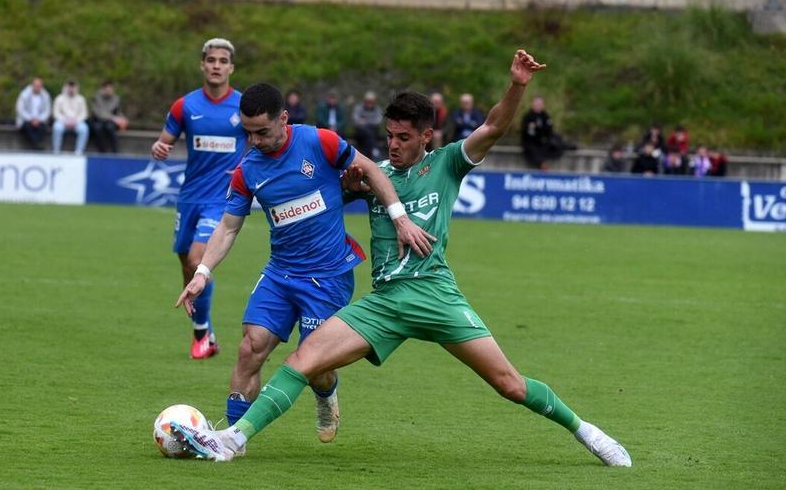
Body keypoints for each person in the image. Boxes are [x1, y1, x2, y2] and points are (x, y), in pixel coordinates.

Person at [171, 50, 633, 468]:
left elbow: (493, 127)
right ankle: (231, 439)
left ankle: (587, 432)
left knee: (510, 385)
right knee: (301, 362)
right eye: (389, 135)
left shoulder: (448, 163)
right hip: (385, 303)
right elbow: (319, 197)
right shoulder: (372, 178)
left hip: (435, 295)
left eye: (403, 137)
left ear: (426, 137)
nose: (392, 144)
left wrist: (516, 86)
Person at [174, 83, 433, 442]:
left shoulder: (320, 142)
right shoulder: (247, 170)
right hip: (280, 274)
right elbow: (229, 227)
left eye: (262, 132)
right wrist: (202, 272)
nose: (254, 141)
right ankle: (230, 438)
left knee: (314, 366)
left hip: (328, 277)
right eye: (247, 133)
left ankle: (326, 396)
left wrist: (400, 218)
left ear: (284, 118)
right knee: (250, 348)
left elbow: (371, 169)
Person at [151, 38, 246, 360]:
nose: (217, 65)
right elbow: (164, 142)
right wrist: (159, 148)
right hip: (190, 196)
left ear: (231, 68)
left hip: (222, 199)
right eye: (211, 60)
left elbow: (263, 143)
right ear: (202, 65)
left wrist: (246, 170)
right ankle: (205, 333)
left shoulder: (244, 107)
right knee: (185, 262)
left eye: (223, 61)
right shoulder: (185, 105)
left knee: (196, 260)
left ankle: (201, 336)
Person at [520, 95, 566, 170]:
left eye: (540, 104)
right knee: (533, 150)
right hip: (531, 143)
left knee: (557, 142)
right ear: (532, 105)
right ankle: (542, 164)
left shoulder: (545, 116)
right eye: (536, 104)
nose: (538, 106)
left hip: (544, 142)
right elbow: (527, 133)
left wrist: (539, 129)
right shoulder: (528, 117)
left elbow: (549, 130)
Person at [52, 80, 89, 154]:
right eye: (69, 87)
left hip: (76, 122)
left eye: (73, 87)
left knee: (84, 129)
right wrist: (64, 120)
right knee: (57, 128)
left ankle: (79, 151)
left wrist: (76, 121)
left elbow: (84, 113)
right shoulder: (59, 98)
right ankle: (56, 151)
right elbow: (56, 112)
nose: (71, 89)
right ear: (66, 87)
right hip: (63, 121)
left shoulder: (81, 99)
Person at [90, 80, 128, 153]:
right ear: (103, 89)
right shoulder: (96, 97)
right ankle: (103, 151)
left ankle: (115, 151)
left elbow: (117, 111)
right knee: (98, 128)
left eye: (111, 89)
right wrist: (113, 118)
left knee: (110, 128)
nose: (109, 91)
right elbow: (98, 113)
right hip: (98, 120)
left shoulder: (116, 98)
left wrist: (122, 118)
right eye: (107, 89)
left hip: (109, 122)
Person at [15, 77, 51, 150]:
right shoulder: (24, 94)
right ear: (32, 85)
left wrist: (39, 120)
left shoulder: (45, 95)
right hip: (26, 120)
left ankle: (36, 144)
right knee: (28, 127)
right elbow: (20, 109)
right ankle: (36, 145)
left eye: (39, 86)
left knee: (42, 128)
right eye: (36, 86)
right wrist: (31, 119)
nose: (37, 88)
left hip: (40, 120)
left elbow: (47, 111)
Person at [351, 90, 383, 157]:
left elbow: (378, 121)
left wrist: (366, 121)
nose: (369, 104)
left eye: (371, 102)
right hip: (360, 133)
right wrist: (369, 122)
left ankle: (365, 155)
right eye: (368, 101)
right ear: (365, 101)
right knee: (365, 130)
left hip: (372, 131)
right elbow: (356, 119)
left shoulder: (377, 109)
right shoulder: (359, 108)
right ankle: (374, 148)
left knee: (368, 132)